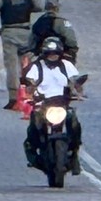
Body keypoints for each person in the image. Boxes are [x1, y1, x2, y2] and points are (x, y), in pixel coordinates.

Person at [22, 37, 82, 170]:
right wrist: (30, 91)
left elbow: (75, 80)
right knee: (35, 125)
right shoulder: (37, 66)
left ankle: (74, 152)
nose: (52, 56)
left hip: (62, 104)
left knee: (73, 122)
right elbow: (30, 82)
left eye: (55, 54)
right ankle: (33, 152)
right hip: (42, 105)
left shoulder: (67, 65)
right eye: (50, 54)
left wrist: (78, 90)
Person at [23, 0, 79, 64]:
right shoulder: (61, 22)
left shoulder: (38, 22)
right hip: (60, 54)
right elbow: (71, 40)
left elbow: (31, 41)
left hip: (41, 54)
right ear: (57, 8)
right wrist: (72, 50)